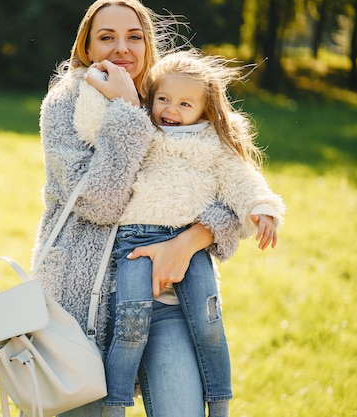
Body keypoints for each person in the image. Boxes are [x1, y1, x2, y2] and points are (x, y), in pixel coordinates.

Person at [30, 1, 242, 416]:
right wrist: (127, 112)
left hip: (164, 296)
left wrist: (187, 243)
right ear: (87, 48)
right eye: (107, 37)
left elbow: (228, 187)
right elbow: (100, 203)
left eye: (134, 36)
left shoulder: (172, 100)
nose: (121, 48)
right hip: (81, 305)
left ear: (148, 43)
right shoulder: (66, 104)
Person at [74, 49, 286, 417]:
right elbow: (96, 131)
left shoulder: (215, 146)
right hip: (135, 244)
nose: (170, 110)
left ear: (205, 110)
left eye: (185, 104)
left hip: (191, 250)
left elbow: (242, 180)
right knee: (130, 327)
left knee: (209, 327)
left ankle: (219, 403)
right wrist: (98, 88)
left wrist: (263, 209)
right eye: (163, 99)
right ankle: (115, 404)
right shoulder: (145, 130)